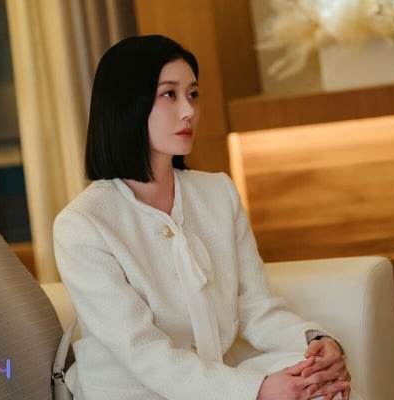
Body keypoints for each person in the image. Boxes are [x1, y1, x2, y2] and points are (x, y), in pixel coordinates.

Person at [53, 35, 356, 400]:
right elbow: (143, 352)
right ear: (127, 103)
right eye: (170, 94)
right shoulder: (82, 225)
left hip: (218, 379)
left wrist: (315, 342)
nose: (189, 111)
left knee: (323, 387)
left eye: (193, 94)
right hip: (136, 392)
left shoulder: (218, 193)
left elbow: (254, 306)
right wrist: (258, 389)